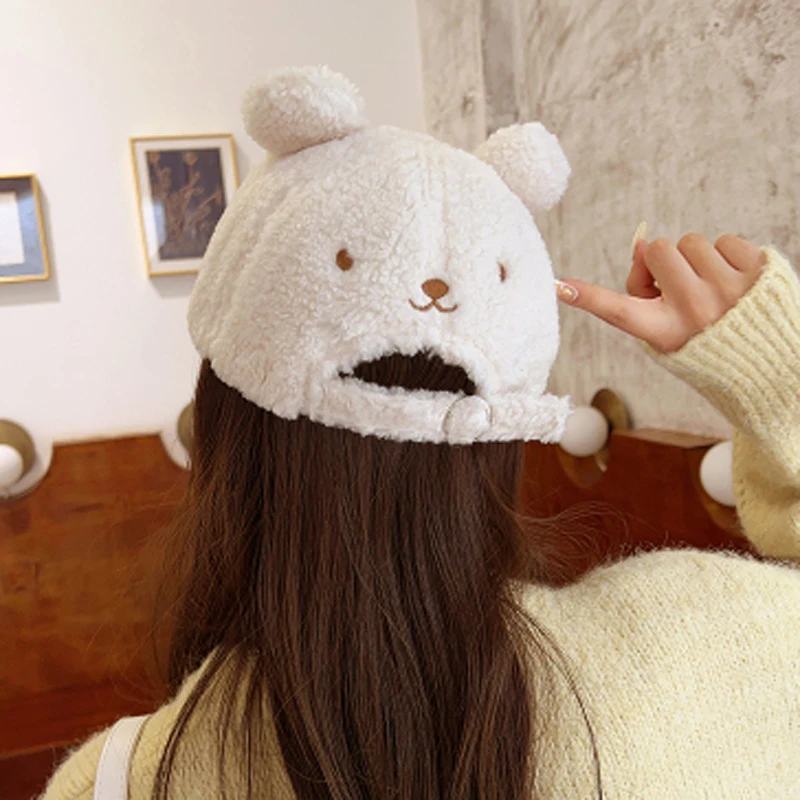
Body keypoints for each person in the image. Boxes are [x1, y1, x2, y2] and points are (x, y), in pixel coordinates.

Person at [43, 67, 799, 799]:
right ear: (503, 433)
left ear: (222, 427)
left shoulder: (121, 782)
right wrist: (778, 374)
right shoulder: (714, 645)